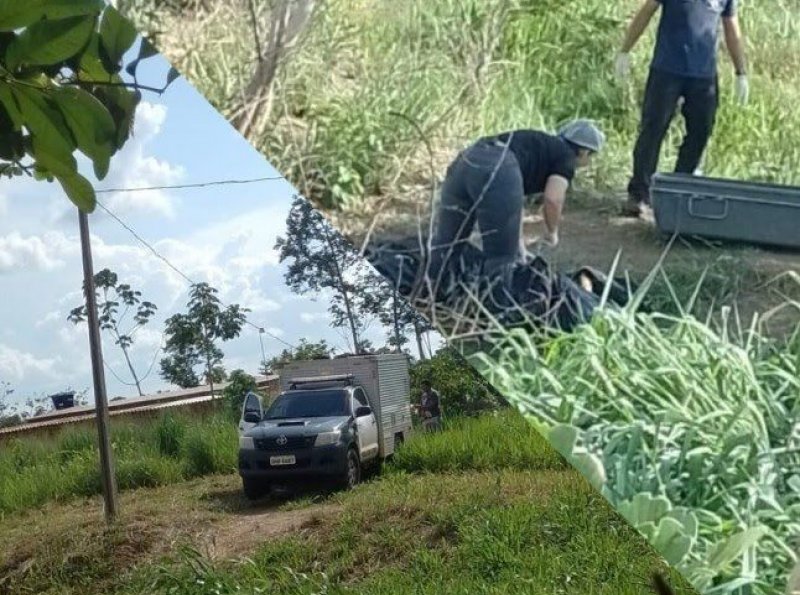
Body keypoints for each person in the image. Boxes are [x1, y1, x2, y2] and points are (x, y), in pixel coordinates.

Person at [428, 120, 606, 287]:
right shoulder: (566, 158)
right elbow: (553, 199)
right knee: (502, 260)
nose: (588, 163)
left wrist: (519, 247)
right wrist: (552, 232)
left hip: (466, 159)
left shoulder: (540, 147)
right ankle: (498, 311)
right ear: (583, 152)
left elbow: (510, 206)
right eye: (591, 157)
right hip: (498, 165)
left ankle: (431, 293)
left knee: (447, 245)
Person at [615, 0, 749, 217]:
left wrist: (740, 71)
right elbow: (647, 11)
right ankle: (639, 194)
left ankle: (679, 189)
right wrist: (625, 50)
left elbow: (731, 27)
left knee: (701, 131)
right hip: (667, 70)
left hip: (704, 76)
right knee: (653, 129)